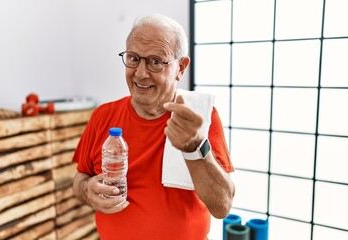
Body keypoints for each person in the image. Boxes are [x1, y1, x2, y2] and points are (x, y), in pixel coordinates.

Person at [72, 13, 235, 240]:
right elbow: (80, 177)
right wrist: (88, 191)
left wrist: (195, 147)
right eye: (133, 59)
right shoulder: (103, 116)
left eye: (156, 62)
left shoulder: (198, 117)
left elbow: (222, 207)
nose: (140, 73)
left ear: (181, 67)